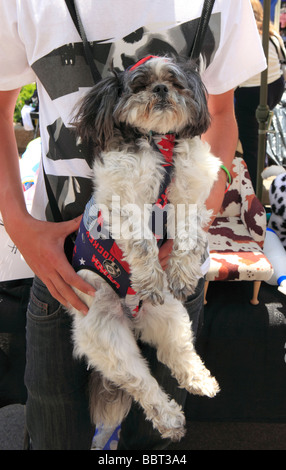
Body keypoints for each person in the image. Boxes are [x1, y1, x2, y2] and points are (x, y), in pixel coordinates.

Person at [0, 0, 266, 450]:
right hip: (65, 268)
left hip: (173, 274)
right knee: (54, 435)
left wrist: (197, 218)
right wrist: (20, 227)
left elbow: (221, 114)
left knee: (155, 444)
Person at [235, 0, 285, 190]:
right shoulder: (272, 34)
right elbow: (283, 60)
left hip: (251, 91)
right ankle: (258, 175)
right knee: (259, 134)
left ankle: (252, 190)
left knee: (251, 143)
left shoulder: (241, 35)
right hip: (274, 87)